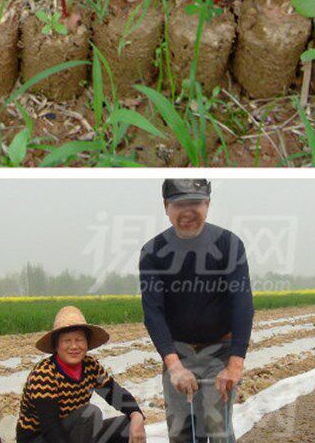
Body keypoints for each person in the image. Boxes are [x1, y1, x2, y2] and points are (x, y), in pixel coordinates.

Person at [139, 179, 253, 443]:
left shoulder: (228, 244)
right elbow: (153, 311)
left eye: (196, 203)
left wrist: (235, 364)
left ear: (208, 204)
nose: (188, 212)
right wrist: (174, 365)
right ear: (166, 206)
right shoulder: (153, 251)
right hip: (178, 350)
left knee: (216, 427)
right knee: (180, 431)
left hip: (219, 350)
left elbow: (242, 303)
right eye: (180, 204)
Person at [16, 306, 146, 443]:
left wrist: (136, 414)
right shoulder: (44, 374)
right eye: (67, 341)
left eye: (79, 340)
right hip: (41, 437)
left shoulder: (91, 366)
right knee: (90, 414)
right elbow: (51, 427)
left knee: (127, 425)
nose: (74, 346)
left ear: (87, 343)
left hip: (74, 432)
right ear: (56, 346)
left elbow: (114, 393)